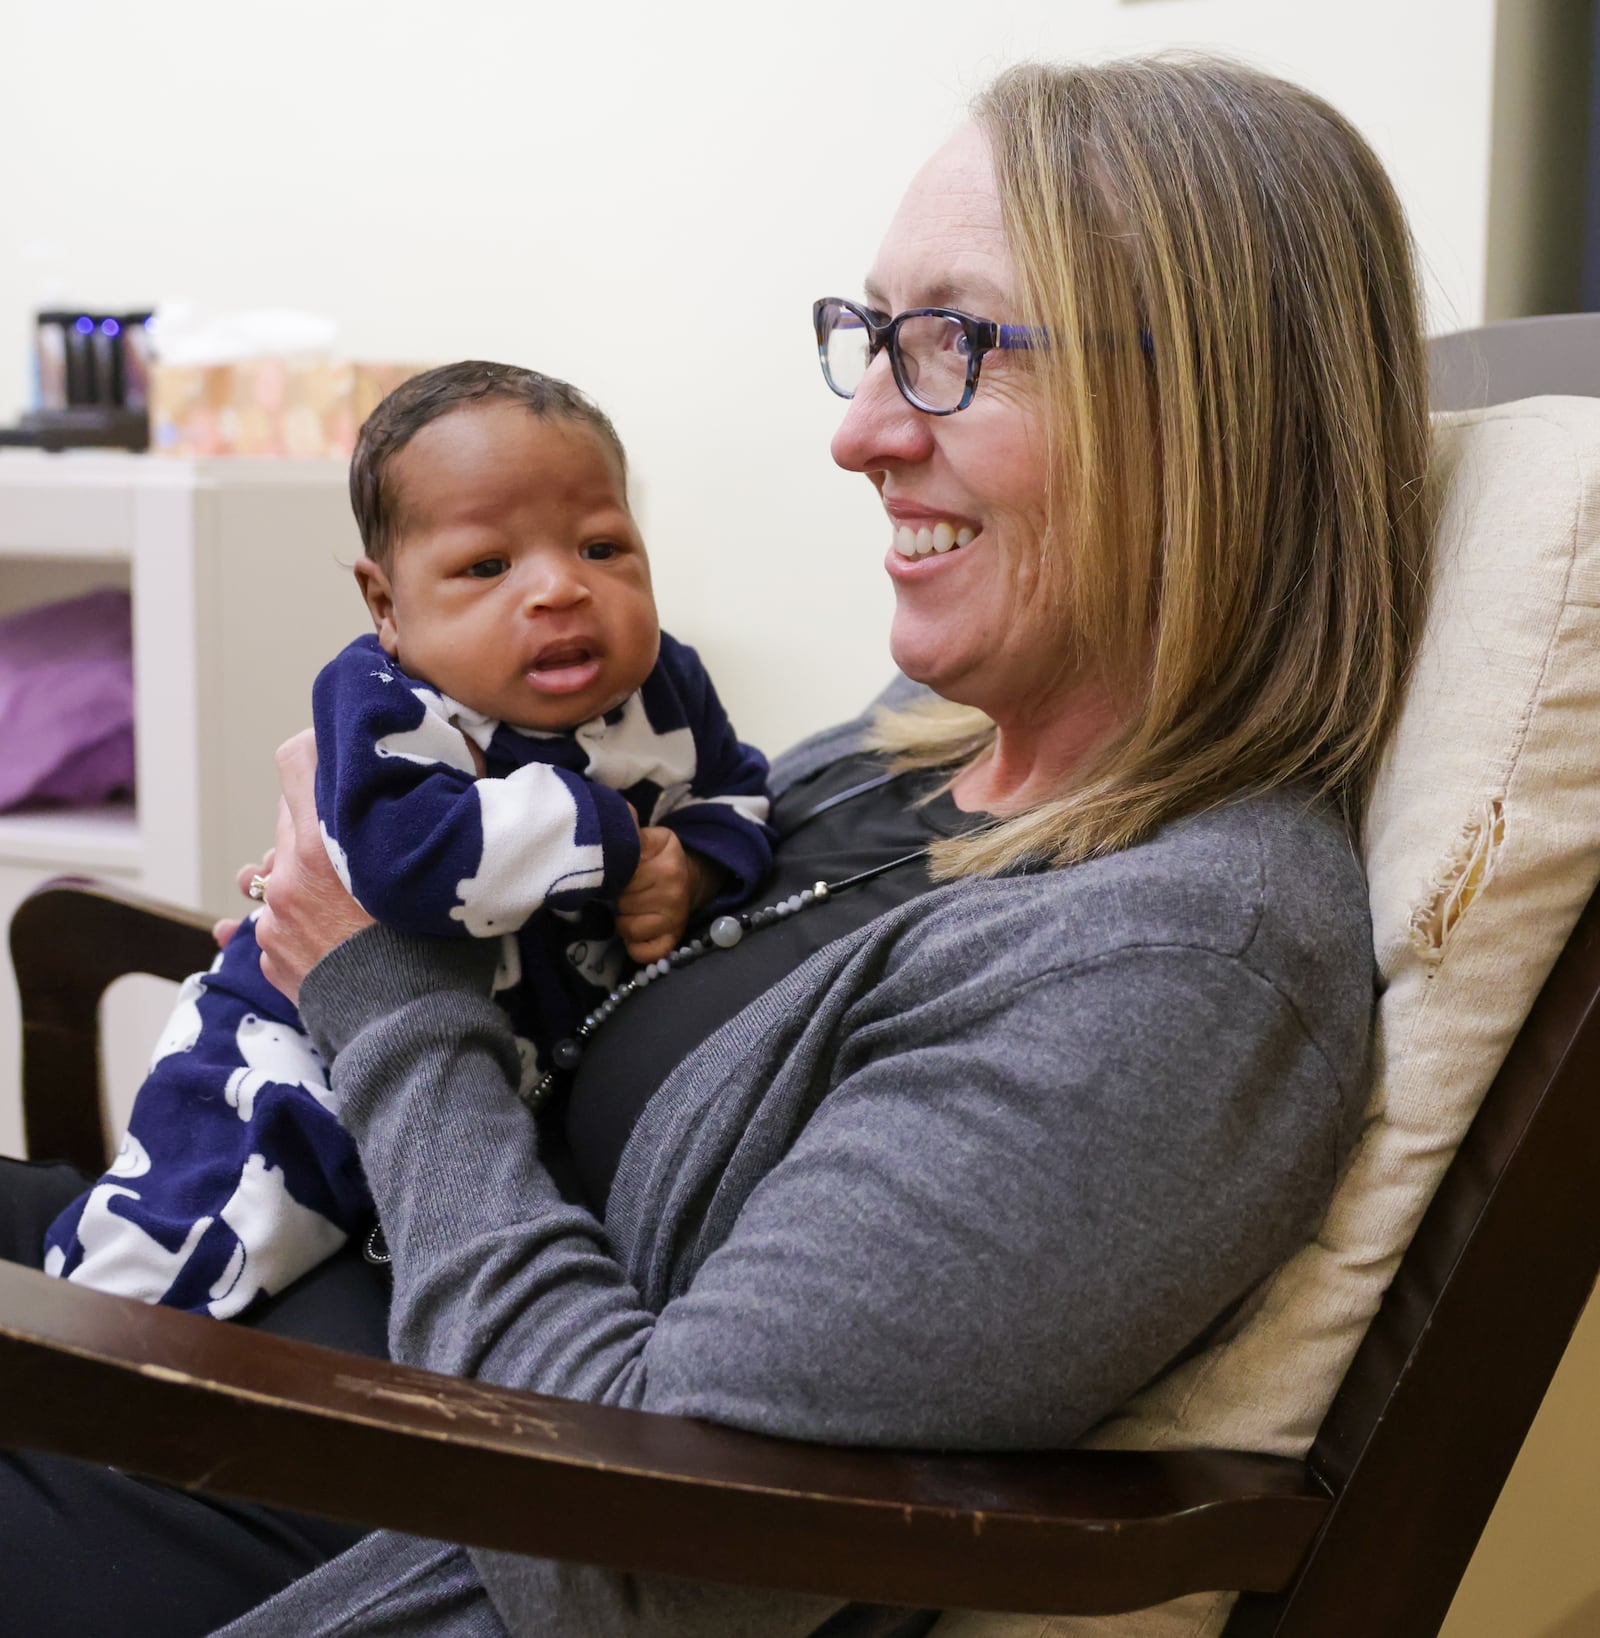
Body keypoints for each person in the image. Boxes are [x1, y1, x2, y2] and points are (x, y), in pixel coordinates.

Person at [0, 53, 1433, 1638]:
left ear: (1210, 408)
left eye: (953, 345)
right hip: (307, 1286)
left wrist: (382, 987)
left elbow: (636, 1554)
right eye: (873, 337)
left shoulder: (1177, 966)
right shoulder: (931, 737)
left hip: (365, 1502)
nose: (864, 431)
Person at [40, 361, 773, 1317]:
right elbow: (409, 862)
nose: (560, 589)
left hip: (483, 1092)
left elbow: (741, 793)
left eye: (601, 548)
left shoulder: (667, 686)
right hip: (301, 1053)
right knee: (196, 1240)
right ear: (385, 606)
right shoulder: (386, 705)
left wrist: (701, 868)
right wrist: (617, 839)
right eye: (487, 566)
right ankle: (77, 1365)